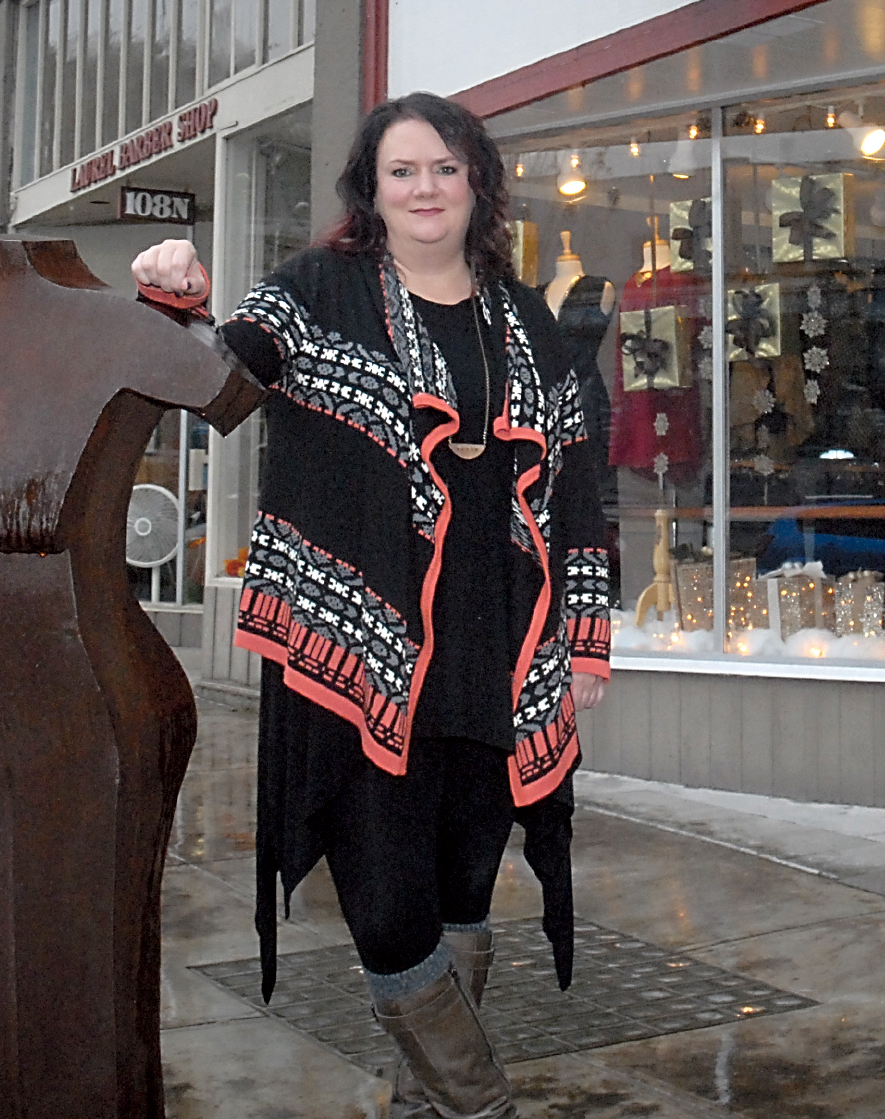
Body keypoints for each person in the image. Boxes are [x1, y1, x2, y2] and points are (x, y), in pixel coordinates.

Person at [132, 93, 610, 1119]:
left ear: (475, 179)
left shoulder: (522, 317)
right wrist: (174, 301)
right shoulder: (315, 290)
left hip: (499, 658)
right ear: (372, 190)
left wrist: (584, 638)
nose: (425, 187)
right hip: (358, 656)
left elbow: (579, 484)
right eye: (403, 171)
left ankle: (424, 1101)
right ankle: (481, 1106)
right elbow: (217, 378)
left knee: (459, 898)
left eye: (443, 167)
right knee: (388, 915)